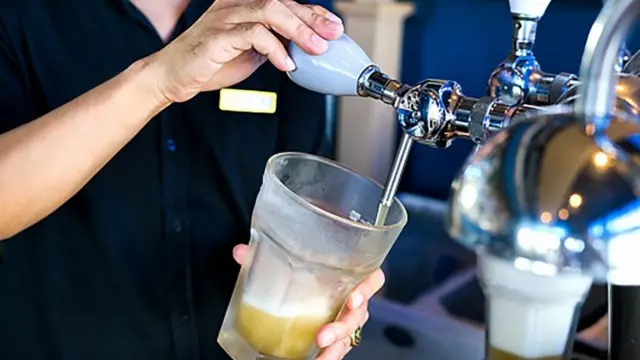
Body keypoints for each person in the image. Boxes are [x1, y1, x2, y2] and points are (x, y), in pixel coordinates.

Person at [0, 0, 384, 359]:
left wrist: (337, 291)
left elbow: (309, 197)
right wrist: (157, 80)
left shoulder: (285, 14)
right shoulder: (20, 15)